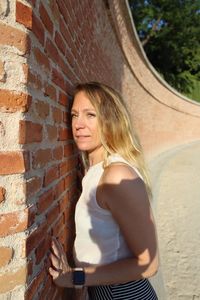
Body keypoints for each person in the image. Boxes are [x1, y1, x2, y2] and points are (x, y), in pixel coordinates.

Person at [49, 82, 159, 299]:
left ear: (110, 121)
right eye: (74, 115)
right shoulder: (96, 171)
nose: (78, 124)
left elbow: (148, 264)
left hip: (123, 293)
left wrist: (74, 277)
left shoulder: (117, 175)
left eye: (90, 115)